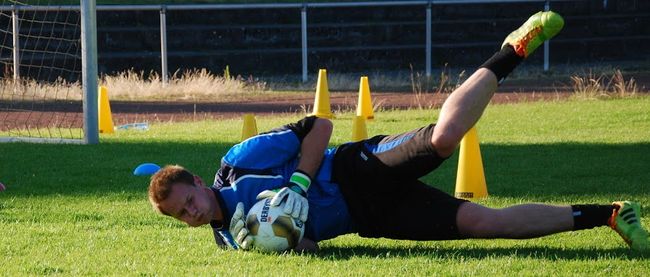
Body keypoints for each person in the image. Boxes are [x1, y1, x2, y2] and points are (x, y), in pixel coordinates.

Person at [147, 11, 649, 252]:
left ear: (195, 182)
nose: (191, 213)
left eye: (187, 200)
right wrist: (294, 241)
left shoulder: (239, 160)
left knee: (444, 137)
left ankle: (512, 50)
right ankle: (610, 215)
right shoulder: (231, 244)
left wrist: (299, 183)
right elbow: (306, 248)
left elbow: (319, 125)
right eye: (180, 216)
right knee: (484, 225)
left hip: (354, 168)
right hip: (371, 216)